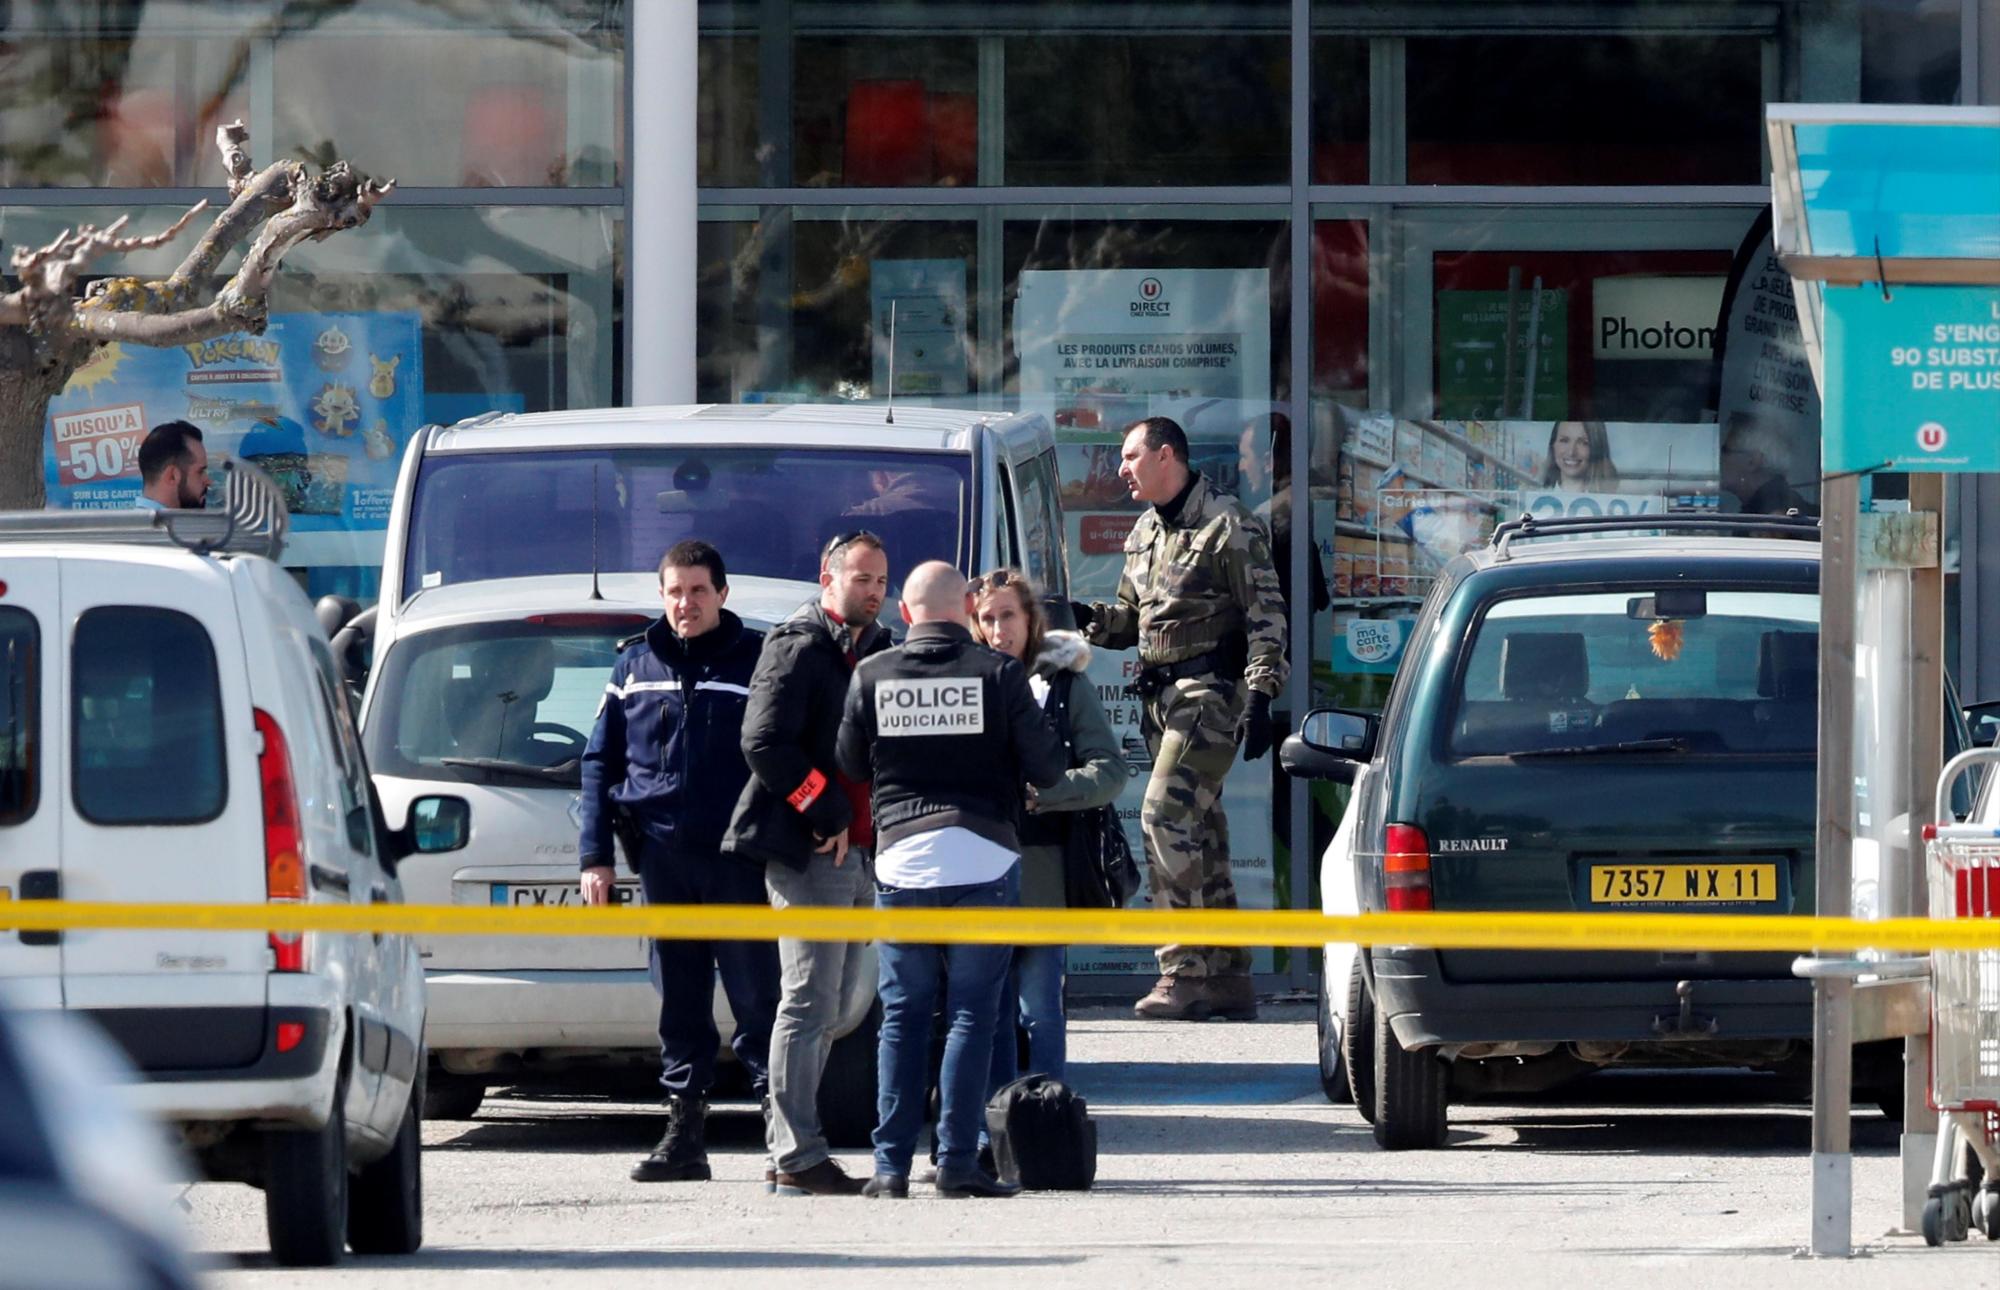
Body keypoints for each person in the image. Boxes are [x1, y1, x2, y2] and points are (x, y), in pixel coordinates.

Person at [835, 561, 1067, 1199]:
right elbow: (1047, 766)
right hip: (984, 862)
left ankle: (889, 1169)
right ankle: (959, 1164)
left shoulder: (872, 674)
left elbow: (850, 761)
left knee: (903, 1016)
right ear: (967, 608)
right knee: (972, 1015)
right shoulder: (1000, 674)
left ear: (906, 614)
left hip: (901, 863)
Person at [1071, 416, 1288, 1022]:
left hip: (1210, 696)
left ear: (1167, 456)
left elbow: (1266, 616)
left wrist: (1262, 694)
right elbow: (1129, 619)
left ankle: (1181, 973)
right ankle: (1226, 976)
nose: (1121, 469)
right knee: (1202, 832)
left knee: (1162, 816)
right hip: (1160, 700)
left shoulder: (1227, 524)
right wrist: (1079, 615)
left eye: (1131, 456)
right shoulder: (1145, 529)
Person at [577, 539, 778, 1184]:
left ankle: (785, 1132)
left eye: (697, 591)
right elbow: (598, 763)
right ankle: (685, 1138)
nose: (685, 604)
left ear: (722, 594)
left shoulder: (757, 661)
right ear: (661, 596)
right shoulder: (634, 666)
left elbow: (783, 752)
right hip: (661, 855)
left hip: (735, 858)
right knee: (680, 1001)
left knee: (758, 997)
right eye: (674, 592)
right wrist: (596, 856)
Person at [722, 530, 894, 1198]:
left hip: (863, 850)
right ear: (828, 576)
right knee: (809, 1000)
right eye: (862, 578)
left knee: (841, 1005)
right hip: (809, 848)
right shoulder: (797, 644)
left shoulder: (879, 649)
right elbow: (762, 742)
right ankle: (796, 1153)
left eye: (882, 580)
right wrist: (822, 813)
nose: (874, 591)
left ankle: (789, 1147)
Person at [969, 567, 1126, 1088]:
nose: (998, 630)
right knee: (981, 1014)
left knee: (1040, 1008)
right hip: (971, 873)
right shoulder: (961, 681)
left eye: (1007, 616)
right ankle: (986, 1121)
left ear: (1030, 619)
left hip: (1040, 871)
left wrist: (1050, 792)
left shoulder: (1063, 684)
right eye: (986, 619)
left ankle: (1045, 1115)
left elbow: (1110, 769)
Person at [1721, 412, 1815, 516]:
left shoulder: (1772, 519)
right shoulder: (1774, 505)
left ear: (1752, 461)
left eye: (1725, 450)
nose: (1719, 457)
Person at [135, 420, 211, 510]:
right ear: (172, 476)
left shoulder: (127, 523)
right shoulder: (165, 523)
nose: (209, 481)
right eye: (200, 472)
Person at [1538, 420, 1620, 493]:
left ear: (1597, 448)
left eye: (1583, 443)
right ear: (1553, 445)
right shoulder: (1535, 498)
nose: (1571, 452)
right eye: (1564, 440)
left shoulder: (1611, 500)